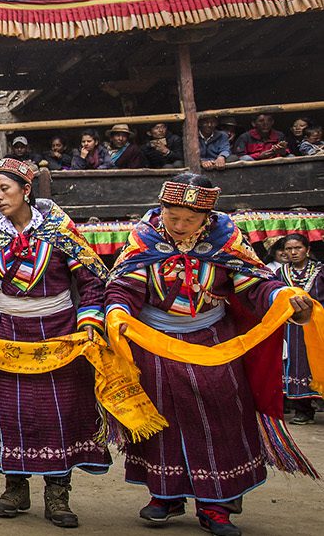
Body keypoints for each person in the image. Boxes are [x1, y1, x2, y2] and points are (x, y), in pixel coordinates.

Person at [105, 173, 313, 536]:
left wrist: (282, 299)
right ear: (162, 209)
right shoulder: (144, 238)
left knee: (219, 416)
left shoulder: (225, 240)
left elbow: (255, 284)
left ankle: (216, 504)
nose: (180, 226)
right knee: (161, 414)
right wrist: (118, 312)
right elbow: (125, 284)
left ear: (208, 217)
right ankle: (165, 494)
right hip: (154, 342)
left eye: (190, 220)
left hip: (214, 341)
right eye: (173, 218)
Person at [0, 158, 111, 529]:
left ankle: (58, 494)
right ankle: (15, 487)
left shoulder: (60, 229)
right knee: (12, 411)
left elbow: (92, 282)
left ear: (26, 191)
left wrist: (89, 321)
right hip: (7, 333)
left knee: (59, 411)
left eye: (5, 189)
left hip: (58, 331)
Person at [275, 234, 321, 425]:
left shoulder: (320, 271)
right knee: (296, 363)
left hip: (318, 325)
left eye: (298, 248)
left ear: (307, 249)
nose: (293, 252)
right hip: (291, 328)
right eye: (288, 249)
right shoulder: (280, 273)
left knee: (318, 361)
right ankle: (303, 410)